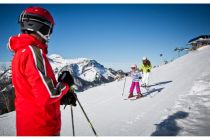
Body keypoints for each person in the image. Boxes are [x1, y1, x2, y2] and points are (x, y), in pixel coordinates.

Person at [8, 6, 76, 136]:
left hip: (28, 127)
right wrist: (66, 84)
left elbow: (32, 92)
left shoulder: (21, 53)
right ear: (40, 27)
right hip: (43, 128)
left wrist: (61, 98)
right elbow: (48, 95)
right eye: (49, 29)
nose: (49, 34)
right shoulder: (33, 52)